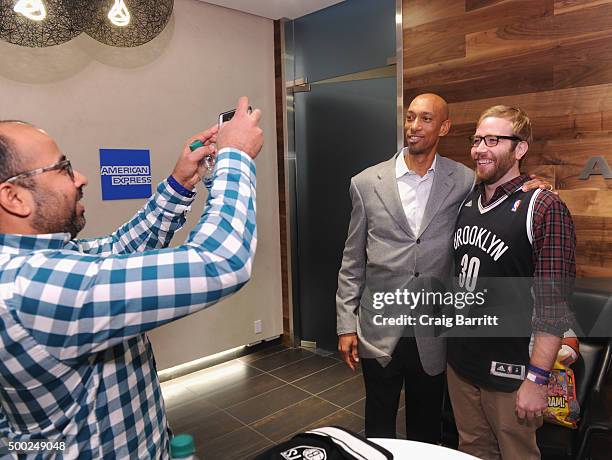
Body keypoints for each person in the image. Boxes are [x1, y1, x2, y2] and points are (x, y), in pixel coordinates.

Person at [0, 97, 263, 458]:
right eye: (63, 169)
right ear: (14, 197)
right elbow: (219, 261)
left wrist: (180, 183)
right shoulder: (30, 284)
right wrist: (236, 158)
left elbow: (118, 249)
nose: (81, 179)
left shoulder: (38, 263)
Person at [336, 93, 552, 443]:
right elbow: (352, 260)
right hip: (378, 327)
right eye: (409, 118)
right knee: (378, 424)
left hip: (434, 331)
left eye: (425, 119)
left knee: (426, 425)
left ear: (444, 127)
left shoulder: (465, 180)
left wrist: (535, 183)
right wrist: (346, 323)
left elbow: (503, 186)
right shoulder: (364, 184)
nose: (414, 127)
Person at [447, 105, 576, 460]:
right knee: (471, 450)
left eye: (493, 139)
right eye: (476, 140)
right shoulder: (467, 201)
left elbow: (553, 306)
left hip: (511, 371)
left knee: (517, 454)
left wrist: (536, 379)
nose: (480, 148)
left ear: (520, 148)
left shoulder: (544, 207)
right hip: (461, 363)